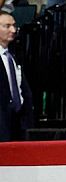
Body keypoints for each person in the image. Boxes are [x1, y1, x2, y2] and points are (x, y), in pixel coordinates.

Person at [0, 10, 30, 141]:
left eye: (14, 25)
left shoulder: (13, 56)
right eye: (7, 26)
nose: (12, 30)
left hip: (17, 121)